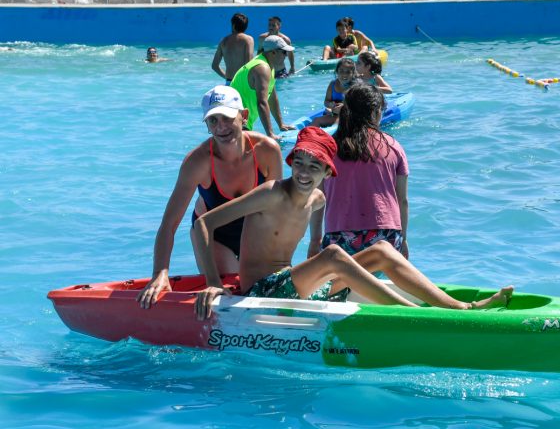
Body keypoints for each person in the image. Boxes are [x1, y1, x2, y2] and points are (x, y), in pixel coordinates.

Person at [192, 127, 513, 320]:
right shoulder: (270, 193)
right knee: (335, 257)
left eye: (314, 166)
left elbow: (315, 248)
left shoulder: (318, 200)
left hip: (294, 286)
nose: (304, 173)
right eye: (299, 164)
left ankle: (461, 308)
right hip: (261, 290)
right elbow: (202, 225)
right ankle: (415, 317)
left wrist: (320, 283)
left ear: (328, 173)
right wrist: (212, 281)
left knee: (384, 249)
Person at [137, 86, 283, 309]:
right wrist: (160, 273)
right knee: (227, 296)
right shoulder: (197, 162)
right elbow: (169, 224)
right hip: (213, 235)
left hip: (255, 233)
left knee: (266, 289)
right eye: (212, 121)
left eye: (226, 117)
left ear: (243, 116)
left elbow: (279, 210)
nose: (221, 127)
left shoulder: (267, 150)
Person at [308, 83, 406, 262]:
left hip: (339, 238)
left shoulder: (329, 148)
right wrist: (404, 240)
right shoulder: (394, 146)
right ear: (376, 113)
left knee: (342, 285)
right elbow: (402, 201)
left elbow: (317, 197)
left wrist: (315, 240)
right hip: (386, 236)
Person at [231, 35, 296, 142]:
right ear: (273, 52)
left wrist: (281, 124)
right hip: (235, 122)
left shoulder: (269, 66)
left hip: (241, 121)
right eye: (284, 52)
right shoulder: (262, 68)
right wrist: (270, 134)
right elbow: (262, 102)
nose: (286, 55)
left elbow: (272, 97)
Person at [310, 58, 359, 128]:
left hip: (349, 117)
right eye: (341, 71)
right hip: (334, 115)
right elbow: (326, 101)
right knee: (316, 120)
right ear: (337, 71)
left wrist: (344, 108)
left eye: (348, 72)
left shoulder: (355, 87)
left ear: (353, 74)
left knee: (335, 123)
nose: (344, 74)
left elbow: (358, 106)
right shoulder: (332, 84)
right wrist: (330, 105)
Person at [211, 13, 255, 85]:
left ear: (233, 25)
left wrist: (226, 76)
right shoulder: (248, 40)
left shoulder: (223, 41)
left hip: (229, 82)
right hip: (242, 82)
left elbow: (214, 66)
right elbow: (249, 63)